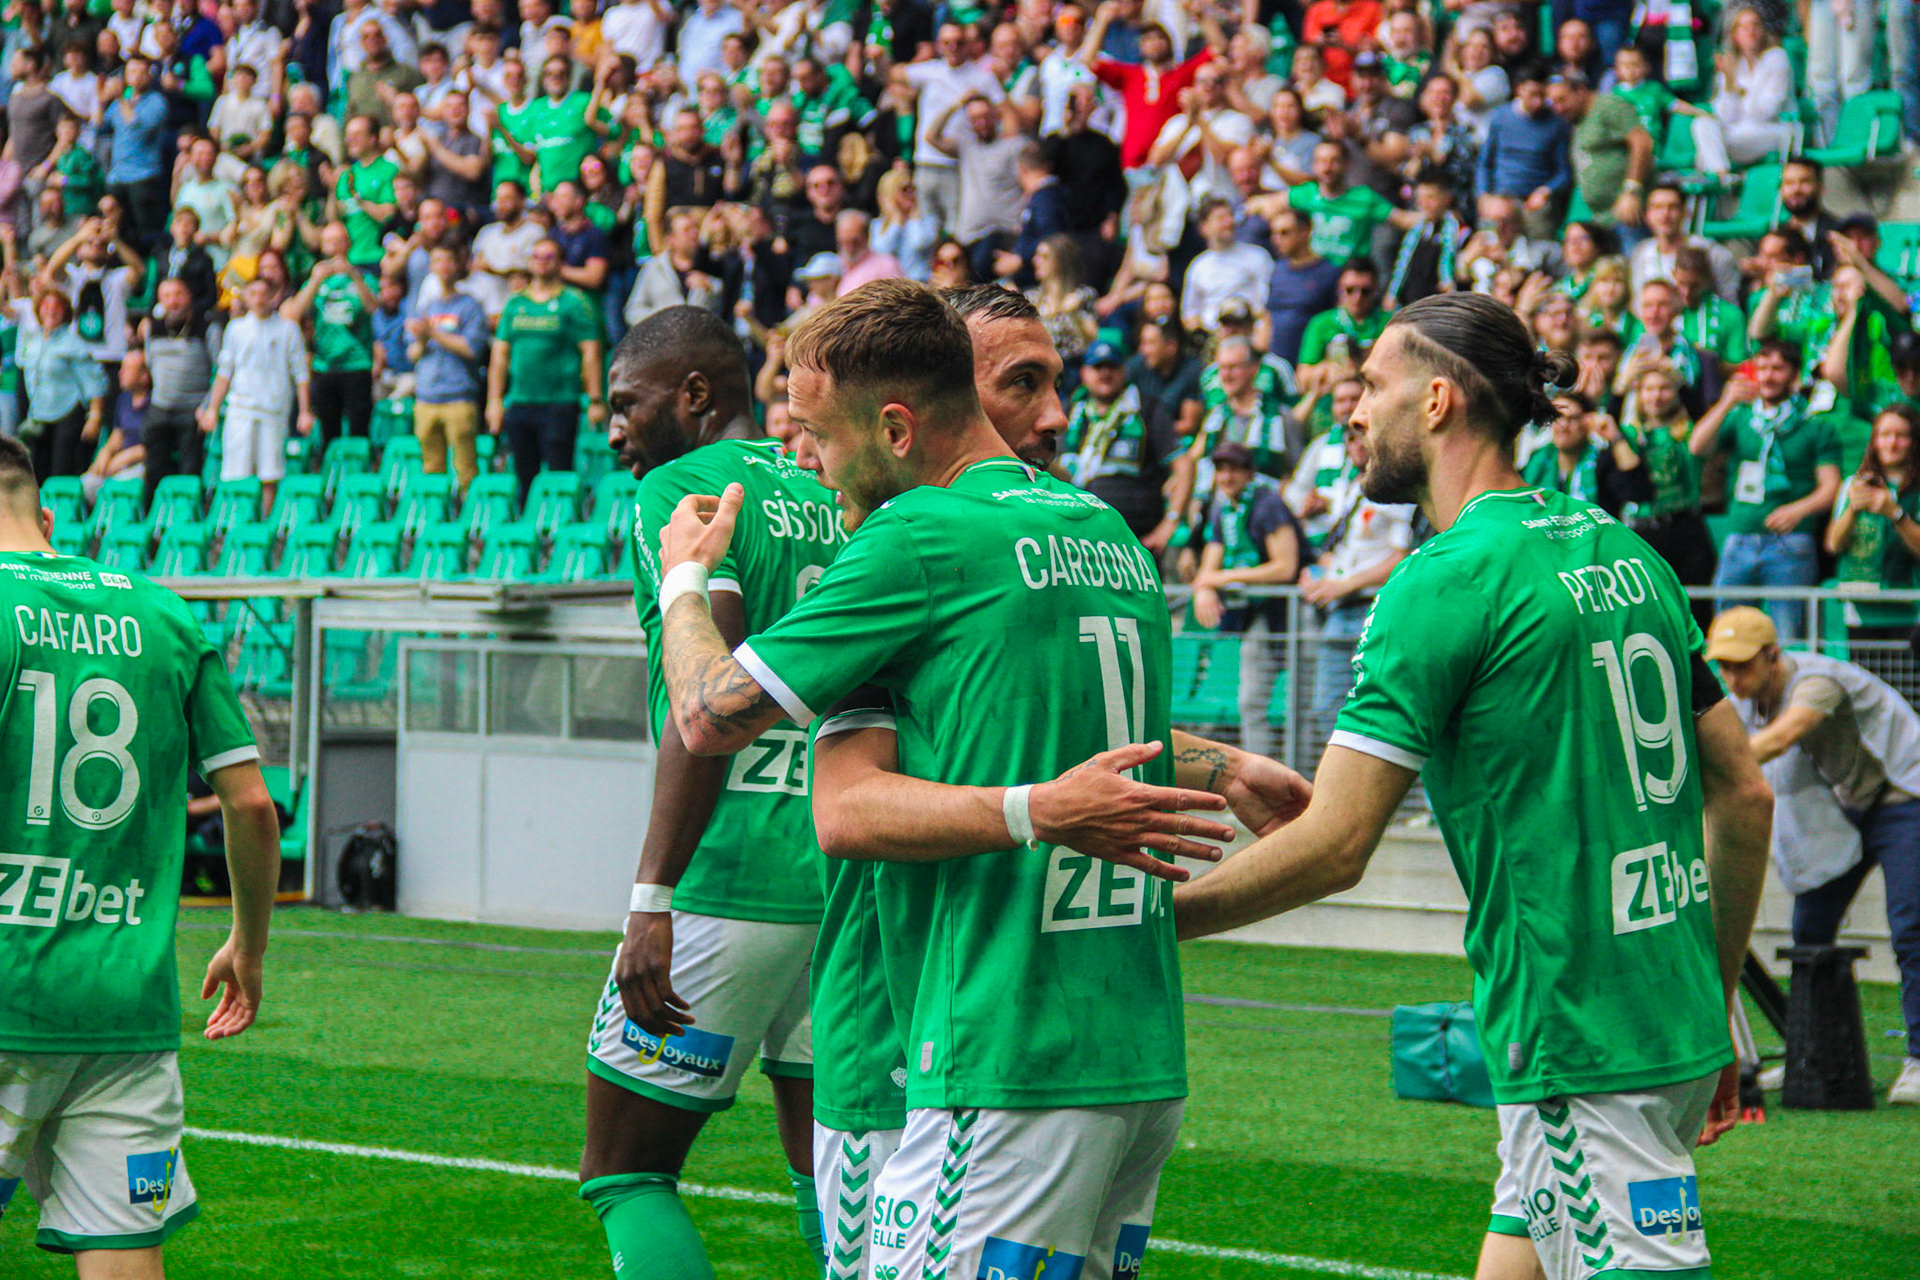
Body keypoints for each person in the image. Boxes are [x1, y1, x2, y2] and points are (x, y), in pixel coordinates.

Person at [1171, 292, 1775, 1280]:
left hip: (1578, 1029)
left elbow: (1337, 844)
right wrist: (1712, 1010)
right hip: (1666, 1012)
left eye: (1371, 385)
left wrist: (1155, 923)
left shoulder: (1443, 579)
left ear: (1437, 400)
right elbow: (1745, 795)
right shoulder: (1627, 553)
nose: (1351, 409)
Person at [648, 278, 1215, 1280]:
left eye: (818, 436)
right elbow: (1018, 721)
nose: (807, 462)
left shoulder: (917, 537)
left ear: (897, 429)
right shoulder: (1108, 535)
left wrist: (685, 580)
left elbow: (708, 715)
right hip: (1135, 1047)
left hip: (1002, 1046)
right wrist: (1217, 761)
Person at [580, 305, 844, 1280]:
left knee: (625, 1171)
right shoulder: (830, 487)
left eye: (626, 404)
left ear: (694, 395)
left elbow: (710, 699)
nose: (614, 431)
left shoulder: (681, 489)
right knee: (836, 1175)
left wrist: (652, 896)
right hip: (843, 874)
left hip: (729, 875)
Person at [0, 433, 281, 1279]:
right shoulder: (163, 611)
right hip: (125, 1006)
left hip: (8, 986)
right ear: (47, 518)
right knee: (122, 1255)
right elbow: (251, 804)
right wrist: (248, 946)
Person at [1708, 607, 1920, 1106]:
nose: (1733, 678)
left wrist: (1711, 769)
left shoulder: (1818, 681)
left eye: (1743, 666)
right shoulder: (1741, 704)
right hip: (1846, 809)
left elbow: (1782, 737)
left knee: (1911, 927)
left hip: (1905, 798)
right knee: (1809, 931)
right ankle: (1810, 1055)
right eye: (1725, 667)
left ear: (1773, 656)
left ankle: (1919, 1059)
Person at [1692, 340, 1843, 643]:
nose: (1768, 376)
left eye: (1777, 369)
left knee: (1789, 638)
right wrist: (1726, 402)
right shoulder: (1741, 418)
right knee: (1728, 633)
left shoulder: (1815, 426)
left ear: (1794, 375)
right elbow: (1697, 446)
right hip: (1739, 539)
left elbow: (1831, 487)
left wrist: (1798, 510)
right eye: (1761, 368)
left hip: (1791, 543)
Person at [1298, 424, 1412, 752]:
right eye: (1350, 437)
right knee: (1326, 707)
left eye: (1362, 435)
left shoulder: (1394, 488)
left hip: (1373, 607)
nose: (1357, 443)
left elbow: (1400, 557)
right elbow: (1342, 548)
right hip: (1339, 611)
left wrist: (1346, 585)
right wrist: (1316, 572)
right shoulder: (1349, 486)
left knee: (1378, 709)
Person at [1191, 440, 1302, 758]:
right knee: (1251, 702)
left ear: (1250, 473)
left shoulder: (1268, 503)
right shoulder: (1222, 508)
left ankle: (1313, 780)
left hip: (1298, 612)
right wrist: (1203, 588)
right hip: (1257, 617)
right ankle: (1263, 780)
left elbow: (1286, 566)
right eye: (1220, 470)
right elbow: (1208, 569)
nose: (1227, 477)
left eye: (1235, 469)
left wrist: (1219, 579)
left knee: (1306, 703)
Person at [487, 237, 603, 503]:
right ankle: (528, 523)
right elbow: (500, 355)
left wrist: (595, 398)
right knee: (524, 475)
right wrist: (494, 400)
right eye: (537, 256)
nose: (542, 262)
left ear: (560, 263)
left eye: (549, 257)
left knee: (559, 472)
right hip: (520, 401)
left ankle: (560, 523)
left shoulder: (574, 302)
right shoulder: (515, 303)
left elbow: (591, 351)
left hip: (559, 402)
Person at [1061, 338, 1191, 551]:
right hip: (1079, 535)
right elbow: (1055, 467)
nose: (1105, 373)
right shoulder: (1071, 412)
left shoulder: (1146, 408)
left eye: (1112, 366)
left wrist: (1170, 523)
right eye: (1098, 367)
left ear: (1124, 371)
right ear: (1084, 373)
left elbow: (1184, 465)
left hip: (1136, 538)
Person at [1825, 407, 1920, 692]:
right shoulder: (1853, 484)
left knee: (1909, 698)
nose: (1892, 443)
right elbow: (1833, 544)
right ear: (1874, 440)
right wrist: (1853, 509)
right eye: (1885, 434)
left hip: (1909, 610)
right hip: (1861, 609)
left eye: (1901, 436)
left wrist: (1895, 513)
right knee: (1869, 699)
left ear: (1914, 441)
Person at [201, 275, 312, 512]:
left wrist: (305, 411)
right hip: (240, 410)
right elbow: (224, 372)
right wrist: (212, 409)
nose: (259, 299)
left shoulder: (288, 329)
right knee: (235, 473)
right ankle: (237, 520)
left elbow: (300, 373)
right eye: (254, 294)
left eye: (264, 294)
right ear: (246, 297)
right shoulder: (236, 329)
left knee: (270, 474)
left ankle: (264, 523)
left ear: (274, 296)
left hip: (273, 410)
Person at [281, 222, 378, 448]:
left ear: (348, 244)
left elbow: (373, 307)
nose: (335, 247)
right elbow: (294, 313)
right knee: (328, 434)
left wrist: (354, 276)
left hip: (357, 364)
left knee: (359, 433)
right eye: (329, 242)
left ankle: (359, 470)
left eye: (339, 241)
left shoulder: (364, 277)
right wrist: (315, 280)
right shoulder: (316, 280)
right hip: (325, 366)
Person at [409, 243, 490, 494]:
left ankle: (468, 511)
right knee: (430, 467)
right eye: (437, 260)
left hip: (458, 397)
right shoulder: (427, 307)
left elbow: (471, 349)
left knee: (465, 468)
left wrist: (433, 332)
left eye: (448, 260)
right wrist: (422, 340)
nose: (443, 266)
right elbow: (412, 354)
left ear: (457, 265)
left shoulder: (470, 305)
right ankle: (436, 511)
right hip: (426, 397)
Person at [12, 286, 108, 481]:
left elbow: (94, 381)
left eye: (57, 306)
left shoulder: (73, 344)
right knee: (36, 474)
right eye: (46, 305)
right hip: (39, 415)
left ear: (65, 312)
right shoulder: (32, 341)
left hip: (67, 413)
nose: (51, 310)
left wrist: (95, 416)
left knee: (61, 472)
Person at [137, 277, 214, 511]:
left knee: (190, 470)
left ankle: (188, 516)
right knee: (153, 469)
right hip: (160, 407)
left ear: (189, 296)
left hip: (193, 409)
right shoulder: (151, 327)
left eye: (178, 294)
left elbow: (220, 370)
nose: (173, 301)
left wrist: (208, 406)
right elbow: (150, 362)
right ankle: (152, 517)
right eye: (167, 296)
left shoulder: (207, 327)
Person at [1691, 5, 1794, 177]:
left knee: (1706, 151)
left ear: (1763, 30)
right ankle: (1723, 175)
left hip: (1774, 130)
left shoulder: (1777, 58)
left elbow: (1765, 113)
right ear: (1735, 35)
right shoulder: (1733, 65)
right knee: (1702, 123)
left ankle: (1719, 178)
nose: (1750, 31)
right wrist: (1730, 82)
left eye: (1755, 25)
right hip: (1738, 133)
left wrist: (1742, 94)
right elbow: (1725, 116)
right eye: (1744, 27)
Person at [1474, 64, 1571, 240]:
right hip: (1501, 196)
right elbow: (1485, 163)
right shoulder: (1500, 117)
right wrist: (1484, 195)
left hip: (1535, 198)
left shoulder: (1557, 124)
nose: (1538, 102)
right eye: (1533, 94)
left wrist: (1545, 191)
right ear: (1519, 89)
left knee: (1541, 232)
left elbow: (1564, 173)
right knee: (1489, 238)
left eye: (1542, 95)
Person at [1261, 207, 1343, 365]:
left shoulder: (1329, 272)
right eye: (1274, 233)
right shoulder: (1277, 270)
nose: (1276, 239)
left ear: (1305, 232)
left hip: (1311, 361)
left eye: (1284, 233)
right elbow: (1268, 315)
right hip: (1277, 363)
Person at [1180, 196, 1273, 333]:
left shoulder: (1258, 256)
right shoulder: (1198, 267)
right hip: (1212, 334)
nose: (1228, 222)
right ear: (1204, 227)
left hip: (1249, 330)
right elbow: (1189, 313)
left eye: (1230, 216)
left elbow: (1266, 302)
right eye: (1220, 218)